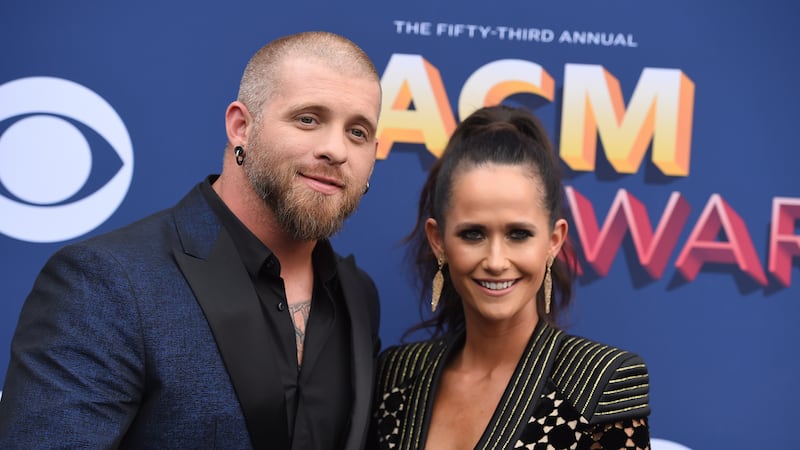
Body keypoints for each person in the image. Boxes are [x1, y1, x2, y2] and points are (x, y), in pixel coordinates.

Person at [0, 31, 382, 449]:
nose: (335, 149)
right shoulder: (106, 284)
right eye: (308, 119)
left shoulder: (357, 295)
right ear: (241, 127)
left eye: (357, 132)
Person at [369, 105, 650, 449]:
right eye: (473, 234)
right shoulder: (396, 377)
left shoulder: (600, 383)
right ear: (438, 240)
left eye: (519, 234)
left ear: (554, 241)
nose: (496, 261)